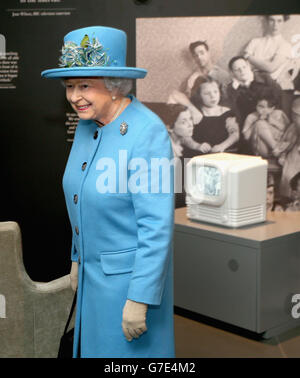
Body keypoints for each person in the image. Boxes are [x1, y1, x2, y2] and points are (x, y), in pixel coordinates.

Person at [41, 26, 175, 358]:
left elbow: (156, 228)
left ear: (115, 86)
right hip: (92, 279)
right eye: (70, 86)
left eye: (85, 85)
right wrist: (77, 257)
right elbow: (81, 195)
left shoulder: (147, 133)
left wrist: (139, 298)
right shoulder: (88, 125)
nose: (74, 97)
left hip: (128, 288)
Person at [168, 40, 230, 124]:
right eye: (195, 55)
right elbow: (188, 98)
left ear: (208, 53)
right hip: (199, 113)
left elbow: (228, 98)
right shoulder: (192, 77)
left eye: (202, 53)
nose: (199, 57)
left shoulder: (223, 74)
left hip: (219, 112)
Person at [182, 76, 239, 157]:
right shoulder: (193, 113)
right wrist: (197, 146)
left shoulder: (227, 112)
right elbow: (185, 137)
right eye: (207, 93)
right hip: (197, 155)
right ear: (199, 95)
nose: (213, 96)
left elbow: (235, 134)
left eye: (215, 92)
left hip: (221, 154)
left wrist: (222, 146)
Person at [243, 15, 297, 91]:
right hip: (249, 83)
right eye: (272, 20)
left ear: (283, 23)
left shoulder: (285, 45)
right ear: (266, 21)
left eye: (279, 21)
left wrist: (249, 57)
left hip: (269, 87)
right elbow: (245, 66)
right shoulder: (254, 41)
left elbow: (271, 68)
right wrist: (263, 64)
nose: (275, 25)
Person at [242, 86, 290, 158]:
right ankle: (276, 148)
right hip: (263, 149)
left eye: (269, 107)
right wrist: (257, 121)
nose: (264, 110)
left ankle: (277, 150)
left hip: (280, 146)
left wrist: (273, 121)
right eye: (261, 106)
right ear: (256, 105)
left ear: (273, 107)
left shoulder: (278, 113)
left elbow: (288, 130)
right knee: (260, 124)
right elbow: (246, 137)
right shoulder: (251, 116)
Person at [279, 97, 300, 198]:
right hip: (295, 152)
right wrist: (282, 155)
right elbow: (286, 143)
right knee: (290, 176)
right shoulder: (293, 128)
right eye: (297, 116)